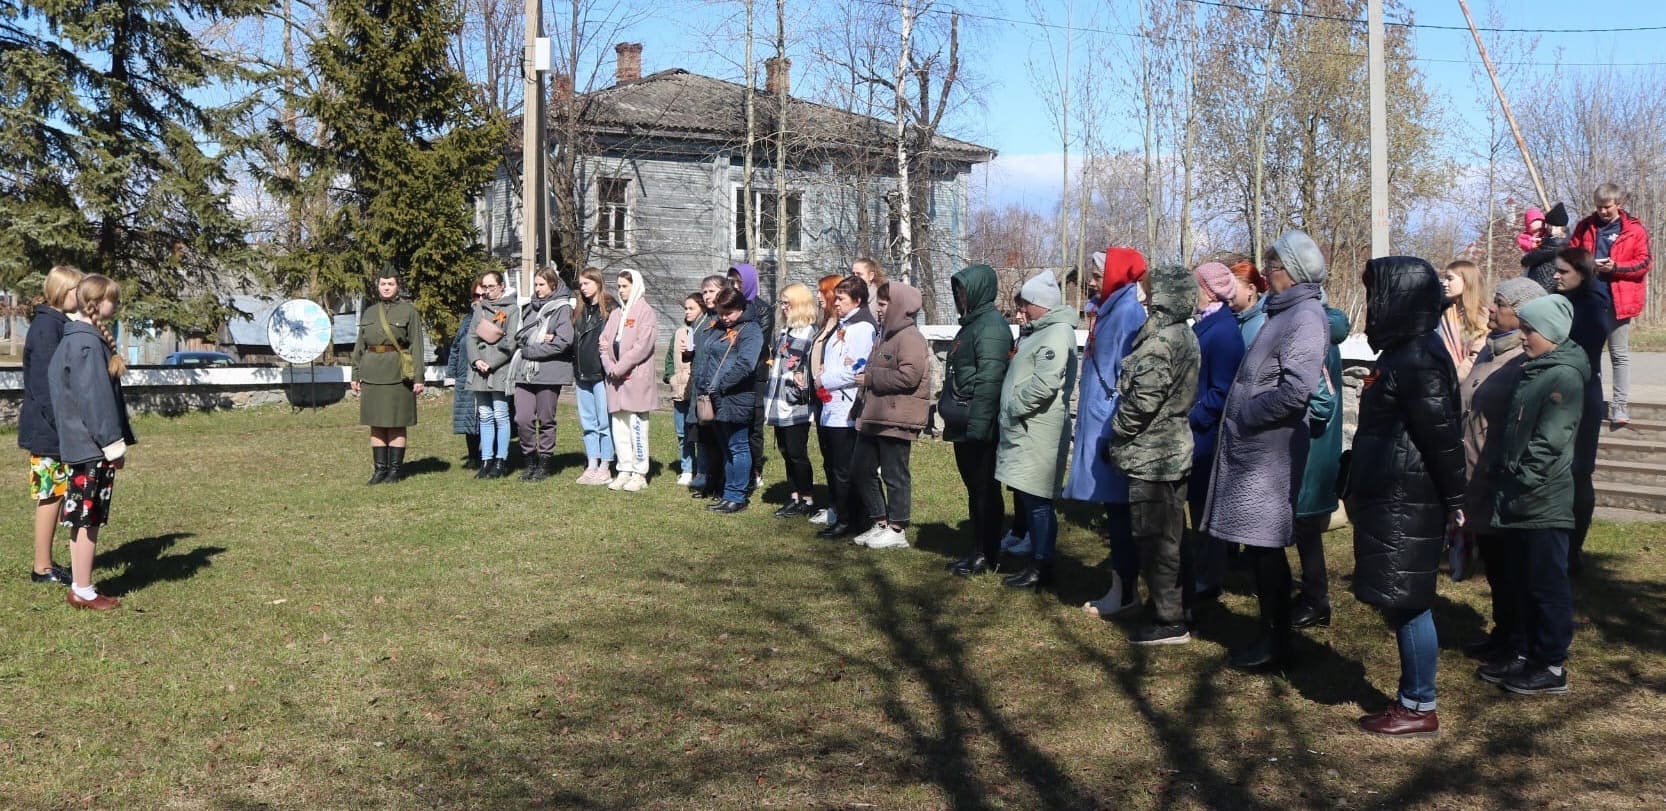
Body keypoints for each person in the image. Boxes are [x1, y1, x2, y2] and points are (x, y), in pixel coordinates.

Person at [1348, 256, 1466, 739]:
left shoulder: (1419, 356)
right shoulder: (1403, 352)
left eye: (1379, 296)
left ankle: (1419, 704)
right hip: (1392, 495)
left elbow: (1442, 436)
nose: (1373, 306)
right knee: (1400, 599)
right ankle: (1413, 698)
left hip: (1408, 499)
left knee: (1409, 601)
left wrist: (1458, 500)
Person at [1203, 232, 1330, 664]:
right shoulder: (1284, 313)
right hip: (1256, 452)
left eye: (1273, 268)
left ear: (1292, 273)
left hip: (1268, 456)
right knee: (1260, 551)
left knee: (1266, 550)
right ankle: (1269, 634)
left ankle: (1276, 643)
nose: (1267, 274)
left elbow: (1297, 391)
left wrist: (1247, 415)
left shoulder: (1305, 317)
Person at [1482, 294, 1587, 696]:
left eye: (1530, 331)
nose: (1523, 337)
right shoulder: (1536, 368)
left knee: (1546, 584)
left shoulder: (1563, 376)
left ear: (1553, 334)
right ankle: (1528, 652)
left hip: (1543, 498)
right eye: (1523, 328)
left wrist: (1522, 476)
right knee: (1523, 580)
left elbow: (1550, 440)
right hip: (1521, 494)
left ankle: (1552, 663)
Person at [1460, 277, 1549, 663]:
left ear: (1523, 313)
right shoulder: (1490, 350)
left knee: (1513, 567)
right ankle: (1502, 631)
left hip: (1501, 477)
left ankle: (1520, 639)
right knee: (1495, 564)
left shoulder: (1525, 360)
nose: (1491, 310)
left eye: (1500, 304)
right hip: (1475, 473)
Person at [1112, 265, 1201, 645]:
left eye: (1150, 291)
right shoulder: (1183, 335)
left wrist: (1117, 428)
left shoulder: (1163, 341)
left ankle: (1169, 619)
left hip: (1156, 455)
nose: (1144, 297)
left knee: (1156, 538)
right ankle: (1178, 606)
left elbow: (1143, 401)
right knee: (1171, 535)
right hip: (1168, 449)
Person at [48, 274, 136, 610]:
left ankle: (82, 584)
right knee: (88, 518)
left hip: (82, 443)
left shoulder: (77, 337)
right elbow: (94, 399)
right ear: (96, 303)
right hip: (91, 447)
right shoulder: (85, 343)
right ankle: (82, 590)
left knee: (83, 518)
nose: (116, 303)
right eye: (112, 298)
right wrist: (112, 444)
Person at [1066, 248, 1147, 616]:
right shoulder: (1110, 309)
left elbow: (1127, 376)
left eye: (1098, 275)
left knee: (1119, 510)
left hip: (1112, 424)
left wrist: (1116, 429)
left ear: (1114, 274)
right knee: (1114, 509)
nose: (1092, 282)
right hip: (1102, 421)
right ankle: (1121, 585)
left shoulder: (1128, 312)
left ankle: (1125, 590)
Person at [995, 271, 1079, 589]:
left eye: (1026, 305)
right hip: (1030, 429)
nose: (1022, 312)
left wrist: (1014, 407)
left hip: (1038, 430)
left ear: (1041, 304)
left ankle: (1041, 566)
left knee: (1039, 502)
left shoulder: (1056, 334)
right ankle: (1038, 562)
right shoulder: (1044, 332)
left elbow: (1044, 384)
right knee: (1032, 500)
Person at [942, 264, 1014, 576]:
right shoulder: (972, 324)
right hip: (966, 421)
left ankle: (987, 554)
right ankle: (978, 548)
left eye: (963, 291)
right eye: (957, 291)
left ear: (978, 291)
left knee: (985, 490)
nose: (959, 296)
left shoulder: (991, 327)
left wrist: (979, 427)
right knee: (975, 490)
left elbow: (989, 380)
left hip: (980, 423)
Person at [850, 281, 931, 549]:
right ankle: (881, 521)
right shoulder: (884, 335)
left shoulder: (910, 337)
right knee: (861, 468)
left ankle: (898, 529)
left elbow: (909, 376)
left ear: (898, 306)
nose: (879, 309)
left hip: (896, 417)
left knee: (895, 474)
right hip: (875, 415)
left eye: (884, 304)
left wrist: (871, 378)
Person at [1184, 261, 1246, 604]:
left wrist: (1189, 418)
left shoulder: (1223, 331)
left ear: (1208, 289)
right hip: (1198, 435)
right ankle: (1202, 574)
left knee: (1205, 511)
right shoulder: (1208, 325)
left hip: (1207, 438)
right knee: (1197, 510)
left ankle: (1209, 580)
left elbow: (1222, 391)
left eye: (1195, 284)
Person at [20, 265, 84, 586]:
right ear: (62, 293)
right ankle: (41, 568)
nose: (81, 296)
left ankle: (46, 563)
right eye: (76, 291)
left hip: (54, 427)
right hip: (48, 429)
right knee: (50, 495)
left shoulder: (56, 323)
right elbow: (46, 386)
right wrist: (64, 425)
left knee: (57, 494)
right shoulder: (47, 327)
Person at [1289, 300, 1351, 629]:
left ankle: (1317, 600)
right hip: (1314, 444)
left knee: (1306, 526)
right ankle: (1312, 595)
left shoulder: (1316, 335)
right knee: (1304, 525)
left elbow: (1321, 402)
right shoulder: (1321, 330)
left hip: (1311, 444)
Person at [1552, 248, 1613, 577]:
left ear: (1583, 273)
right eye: (1556, 270)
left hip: (1581, 394)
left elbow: (1581, 349)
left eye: (1564, 272)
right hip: (1555, 392)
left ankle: (1573, 550)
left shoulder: (1591, 305)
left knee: (1578, 473)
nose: (1556, 276)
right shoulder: (1558, 299)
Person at [1570, 182, 1652, 427]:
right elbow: (1571, 254)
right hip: (1589, 299)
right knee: (1587, 355)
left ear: (1619, 204)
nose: (1602, 212)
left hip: (1620, 300)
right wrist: (1586, 267)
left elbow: (1644, 263)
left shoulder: (1634, 230)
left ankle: (1619, 406)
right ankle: (1588, 403)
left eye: (1607, 207)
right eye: (1598, 207)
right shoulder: (1585, 226)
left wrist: (1616, 268)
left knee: (1619, 354)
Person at [816, 277, 878, 539]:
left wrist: (824, 378)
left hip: (846, 406)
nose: (836, 303)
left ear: (858, 300)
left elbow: (857, 368)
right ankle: (843, 514)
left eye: (841, 298)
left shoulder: (862, 327)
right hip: (832, 404)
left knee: (844, 468)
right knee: (834, 465)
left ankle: (850, 518)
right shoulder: (844, 324)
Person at [352, 268, 426, 484]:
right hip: (372, 372)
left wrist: (419, 378)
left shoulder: (408, 311)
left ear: (397, 286)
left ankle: (395, 471)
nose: (386, 287)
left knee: (396, 422)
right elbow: (360, 345)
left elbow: (417, 346)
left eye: (390, 284)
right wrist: (355, 373)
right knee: (376, 423)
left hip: (398, 373)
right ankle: (379, 470)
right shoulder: (369, 312)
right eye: (383, 284)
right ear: (378, 286)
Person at [697, 288, 765, 513]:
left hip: (735, 396)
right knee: (726, 447)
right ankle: (728, 493)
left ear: (741, 308)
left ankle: (738, 495)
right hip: (715, 397)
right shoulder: (719, 327)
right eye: (721, 312)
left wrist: (721, 384)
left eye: (729, 312)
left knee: (738, 446)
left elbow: (746, 363)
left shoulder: (750, 330)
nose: (724, 317)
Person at [507, 267, 574, 482]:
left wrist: (534, 348)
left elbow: (563, 341)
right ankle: (530, 460)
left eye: (541, 285)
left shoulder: (562, 309)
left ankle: (544, 462)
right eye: (535, 285)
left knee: (546, 419)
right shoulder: (529, 308)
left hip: (549, 372)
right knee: (523, 418)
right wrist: (540, 339)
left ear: (553, 285)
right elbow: (521, 336)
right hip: (525, 371)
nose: (537, 289)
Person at [601, 269, 659, 492]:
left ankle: (639, 471)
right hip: (616, 380)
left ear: (636, 286)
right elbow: (604, 342)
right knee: (619, 425)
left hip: (635, 378)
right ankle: (624, 468)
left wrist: (620, 366)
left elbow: (641, 347)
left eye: (625, 286)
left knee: (637, 426)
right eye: (619, 286)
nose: (621, 290)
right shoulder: (616, 313)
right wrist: (610, 366)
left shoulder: (645, 312)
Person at [765, 283, 819, 517]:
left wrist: (802, 378)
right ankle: (794, 495)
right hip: (778, 401)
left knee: (797, 452)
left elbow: (811, 369)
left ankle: (807, 498)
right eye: (782, 303)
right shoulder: (786, 332)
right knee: (786, 451)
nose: (784, 307)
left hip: (796, 403)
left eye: (788, 303)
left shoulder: (810, 334)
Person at [467, 270, 519, 479]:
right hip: (479, 369)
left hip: (499, 369)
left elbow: (511, 341)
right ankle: (486, 460)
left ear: (501, 287)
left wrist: (491, 362)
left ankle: (501, 460)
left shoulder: (512, 309)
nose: (487, 291)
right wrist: (476, 360)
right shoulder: (480, 309)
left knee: (500, 414)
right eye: (485, 287)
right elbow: (470, 337)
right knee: (485, 416)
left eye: (491, 287)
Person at [728, 264, 773, 489]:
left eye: (738, 282)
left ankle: (755, 469)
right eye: (731, 281)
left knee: (754, 424)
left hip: (754, 373)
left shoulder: (763, 310)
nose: (734, 286)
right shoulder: (728, 306)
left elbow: (756, 344)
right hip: (730, 371)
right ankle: (734, 468)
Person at [807, 274, 847, 527]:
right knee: (827, 455)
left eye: (823, 292)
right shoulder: (825, 323)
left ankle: (841, 508)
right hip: (820, 395)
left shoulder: (840, 326)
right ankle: (833, 504)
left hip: (834, 396)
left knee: (838, 459)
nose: (819, 296)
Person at [572, 267, 617, 485]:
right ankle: (592, 463)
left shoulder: (610, 308)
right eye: (581, 284)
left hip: (600, 373)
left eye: (587, 283)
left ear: (598, 283)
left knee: (604, 422)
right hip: (581, 373)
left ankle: (606, 465)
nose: (583, 287)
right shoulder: (580, 310)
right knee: (588, 422)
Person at [689, 275, 729, 499]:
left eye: (711, 291)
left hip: (719, 389)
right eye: (704, 292)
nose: (707, 296)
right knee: (705, 439)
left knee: (720, 439)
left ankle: (722, 485)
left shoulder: (725, 320)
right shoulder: (703, 320)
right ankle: (707, 481)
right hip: (701, 388)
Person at [666, 293, 703, 486]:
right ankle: (686, 468)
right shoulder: (680, 332)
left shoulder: (705, 331)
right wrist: (670, 376)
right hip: (679, 390)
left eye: (692, 308)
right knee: (682, 433)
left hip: (697, 392)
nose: (687, 312)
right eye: (686, 309)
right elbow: (670, 358)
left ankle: (702, 470)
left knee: (699, 434)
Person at [448, 283, 483, 470]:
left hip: (484, 373)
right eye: (476, 296)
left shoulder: (493, 317)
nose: (479, 299)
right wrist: (451, 373)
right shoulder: (467, 320)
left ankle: (489, 456)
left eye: (482, 295)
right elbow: (455, 347)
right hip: (465, 373)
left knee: (484, 415)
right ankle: (473, 456)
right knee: (467, 416)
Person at [1438, 260, 1488, 380]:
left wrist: (1454, 378)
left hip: (1462, 382)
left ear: (1467, 281)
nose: (1444, 284)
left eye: (1450, 279)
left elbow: (1476, 356)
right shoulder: (1445, 312)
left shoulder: (1482, 317)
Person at [1522, 202, 1571, 292]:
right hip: (1546, 285)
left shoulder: (1556, 243)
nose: (1551, 228)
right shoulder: (1555, 240)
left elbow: (1527, 260)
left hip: (1546, 286)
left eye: (1555, 226)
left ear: (1562, 227)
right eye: (1549, 225)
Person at [1229, 258, 1268, 347]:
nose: (1226, 293)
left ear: (1250, 289)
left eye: (1232, 288)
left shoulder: (1265, 324)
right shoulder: (1226, 319)